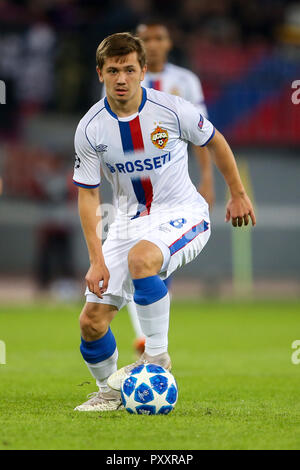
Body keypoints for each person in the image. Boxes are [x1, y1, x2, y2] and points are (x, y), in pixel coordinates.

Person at [73, 32, 256, 411]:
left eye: (128, 69)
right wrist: (96, 259)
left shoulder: (172, 109)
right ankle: (109, 392)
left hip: (182, 212)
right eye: (112, 70)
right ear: (100, 74)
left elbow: (215, 141)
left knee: (143, 260)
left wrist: (236, 193)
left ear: (143, 72)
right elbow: (88, 194)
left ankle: (156, 360)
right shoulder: (90, 128)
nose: (121, 78)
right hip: (126, 223)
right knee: (91, 321)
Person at [102, 21, 216, 355]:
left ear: (168, 43)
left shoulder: (185, 82)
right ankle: (145, 339)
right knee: (138, 259)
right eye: (147, 38)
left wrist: (207, 178)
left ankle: (150, 339)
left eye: (159, 37)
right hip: (130, 193)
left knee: (152, 260)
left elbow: (203, 134)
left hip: (171, 192)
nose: (153, 42)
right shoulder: (120, 79)